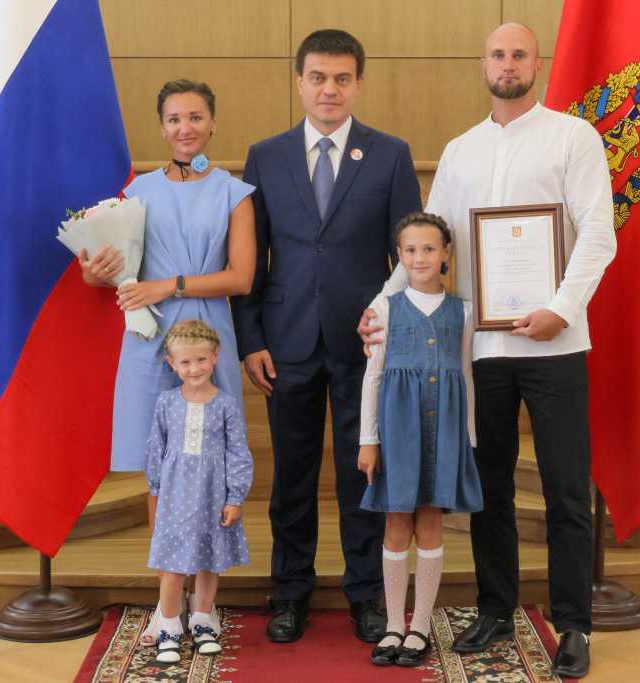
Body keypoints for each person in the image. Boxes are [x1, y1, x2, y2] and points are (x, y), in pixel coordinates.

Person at [359, 23, 616, 679]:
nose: (508, 64)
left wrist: (562, 307)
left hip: (556, 340)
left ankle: (574, 624)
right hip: (477, 346)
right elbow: (427, 242)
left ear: (537, 63)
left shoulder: (574, 137)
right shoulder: (461, 151)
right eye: (498, 55)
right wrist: (381, 304)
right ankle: (497, 607)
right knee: (489, 485)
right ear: (484, 64)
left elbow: (598, 233)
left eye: (519, 54)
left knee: (565, 487)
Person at [230, 29, 423, 644]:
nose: (329, 89)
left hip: (365, 345)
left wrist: (389, 322)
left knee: (362, 472)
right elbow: (250, 259)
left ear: (359, 84)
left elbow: (408, 255)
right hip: (284, 343)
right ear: (300, 82)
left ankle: (366, 594)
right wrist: (250, 340)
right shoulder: (266, 156)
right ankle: (289, 592)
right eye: (318, 77)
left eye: (342, 78)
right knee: (291, 477)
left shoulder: (390, 155)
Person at [79, 79, 255, 643]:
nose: (185, 128)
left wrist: (169, 285)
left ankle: (205, 606)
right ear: (162, 127)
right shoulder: (136, 191)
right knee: (160, 469)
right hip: (149, 337)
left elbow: (241, 277)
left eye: (196, 117)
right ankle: (168, 604)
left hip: (206, 332)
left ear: (213, 122)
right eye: (175, 118)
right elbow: (100, 270)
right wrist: (96, 269)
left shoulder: (235, 192)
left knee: (211, 466)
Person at [356, 212, 482, 667]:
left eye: (429, 249)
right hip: (398, 433)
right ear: (398, 256)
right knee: (396, 525)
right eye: (410, 250)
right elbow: (373, 376)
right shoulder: (385, 309)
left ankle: (420, 627)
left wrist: (467, 438)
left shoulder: (463, 312)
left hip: (444, 432)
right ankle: (394, 623)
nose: (420, 257)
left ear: (446, 253)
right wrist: (368, 439)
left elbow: (465, 375)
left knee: (430, 523)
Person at [143, 319, 254, 665]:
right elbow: (156, 447)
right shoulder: (166, 402)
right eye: (186, 362)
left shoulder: (226, 405)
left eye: (201, 360)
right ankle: (170, 628)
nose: (194, 368)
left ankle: (203, 622)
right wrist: (157, 488)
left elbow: (238, 452)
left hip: (212, 497)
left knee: (208, 563)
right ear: (172, 363)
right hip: (175, 498)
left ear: (215, 357)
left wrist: (235, 497)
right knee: (173, 566)